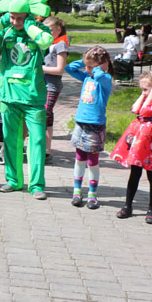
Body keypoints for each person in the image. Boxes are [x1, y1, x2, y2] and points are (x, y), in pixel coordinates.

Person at [0, 0, 54, 200]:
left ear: (28, 16)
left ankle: (37, 185)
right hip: (9, 96)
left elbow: (44, 42)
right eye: (11, 17)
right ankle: (13, 180)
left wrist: (29, 25)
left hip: (33, 98)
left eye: (18, 18)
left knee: (37, 141)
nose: (15, 22)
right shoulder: (6, 32)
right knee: (10, 139)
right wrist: (2, 21)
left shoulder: (39, 32)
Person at [110, 70, 152, 224]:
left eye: (146, 89)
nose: (143, 92)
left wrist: (150, 95)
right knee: (135, 172)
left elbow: (144, 111)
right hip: (139, 138)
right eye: (142, 89)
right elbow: (134, 109)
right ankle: (127, 205)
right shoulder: (147, 97)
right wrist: (145, 94)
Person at [65, 47, 113, 210]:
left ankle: (92, 193)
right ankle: (77, 191)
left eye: (91, 67)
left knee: (93, 162)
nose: (87, 70)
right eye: (87, 66)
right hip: (81, 123)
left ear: (102, 65)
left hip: (95, 125)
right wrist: (86, 61)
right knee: (79, 159)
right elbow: (69, 68)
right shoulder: (87, 76)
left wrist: (99, 66)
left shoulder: (105, 79)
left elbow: (100, 75)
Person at [42, 16, 69, 162]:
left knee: (45, 115)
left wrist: (40, 69)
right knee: (45, 116)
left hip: (51, 86)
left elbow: (60, 69)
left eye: (50, 30)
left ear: (58, 30)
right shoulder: (47, 44)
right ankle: (44, 150)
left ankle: (46, 151)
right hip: (41, 85)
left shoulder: (60, 45)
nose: (47, 33)